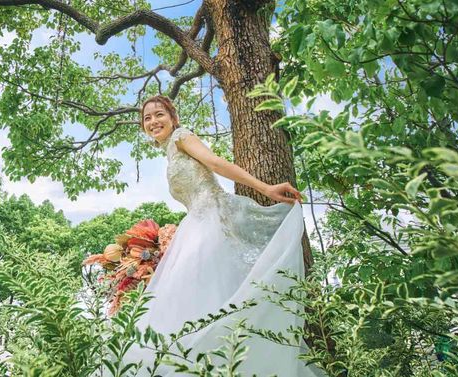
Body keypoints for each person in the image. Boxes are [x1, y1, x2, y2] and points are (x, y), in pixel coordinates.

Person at [122, 95, 319, 376]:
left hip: (211, 221)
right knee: (194, 301)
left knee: (205, 297)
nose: (153, 121)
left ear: (173, 118)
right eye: (147, 118)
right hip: (194, 226)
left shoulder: (181, 137)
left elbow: (215, 163)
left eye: (159, 114)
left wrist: (265, 189)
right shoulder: (169, 153)